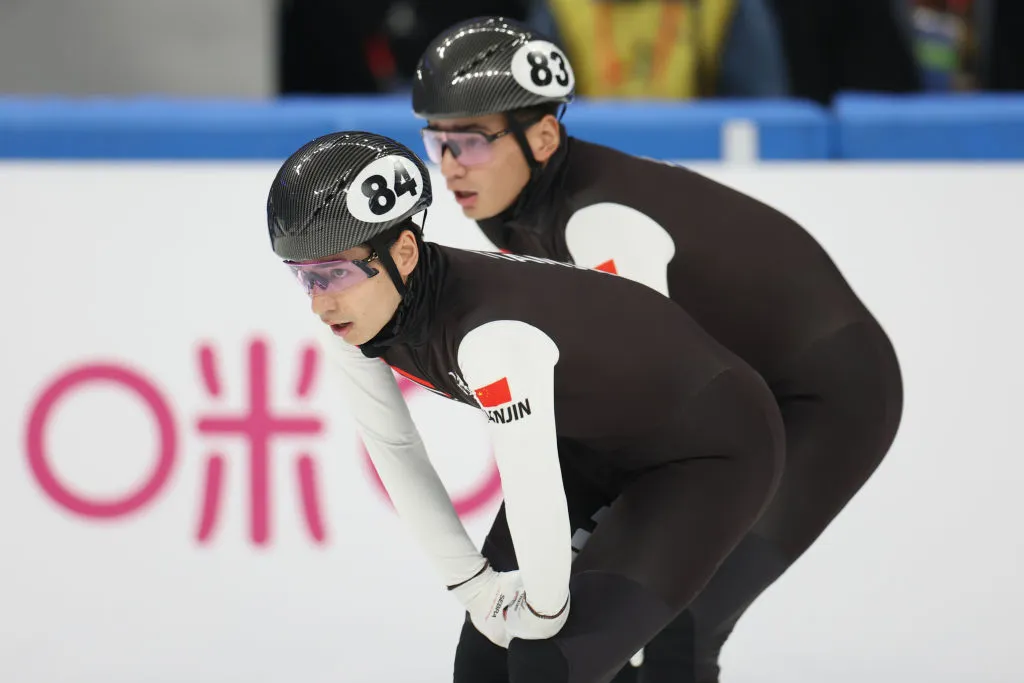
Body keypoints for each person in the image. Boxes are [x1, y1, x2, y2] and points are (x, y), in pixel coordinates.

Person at [410, 16, 904, 683]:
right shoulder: (514, 201)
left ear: (544, 136)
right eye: (435, 140)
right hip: (711, 385)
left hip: (827, 398)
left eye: (468, 141)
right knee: (514, 627)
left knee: (677, 621)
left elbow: (646, 399)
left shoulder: (600, 222)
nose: (447, 166)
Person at [266, 130, 785, 683]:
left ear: (405, 252)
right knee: (484, 664)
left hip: (712, 452)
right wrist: (473, 587)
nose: (322, 301)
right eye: (305, 277)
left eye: (336, 273)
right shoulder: (350, 319)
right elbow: (393, 446)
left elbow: (529, 476)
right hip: (595, 442)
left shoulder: (492, 337)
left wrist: (540, 609)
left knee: (549, 664)